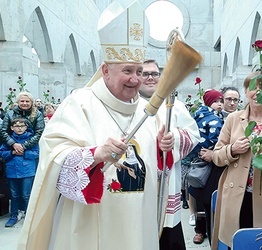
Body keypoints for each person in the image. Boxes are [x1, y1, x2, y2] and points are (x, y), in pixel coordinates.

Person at [18, 1, 175, 249]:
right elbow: (53, 156)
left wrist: (161, 147)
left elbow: (155, 167)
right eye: (127, 70)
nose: (135, 79)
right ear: (105, 70)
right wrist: (94, 155)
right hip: (89, 224)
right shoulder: (79, 103)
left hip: (138, 220)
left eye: (139, 71)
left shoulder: (147, 113)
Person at [211, 71, 262, 250]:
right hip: (237, 197)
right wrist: (232, 149)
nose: (258, 92)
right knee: (239, 243)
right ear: (246, 92)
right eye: (252, 88)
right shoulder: (233, 119)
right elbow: (216, 156)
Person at [139, 59, 200, 250]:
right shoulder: (129, 104)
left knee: (167, 233)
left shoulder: (174, 105)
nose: (150, 78)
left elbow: (193, 134)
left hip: (167, 179)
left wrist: (174, 139)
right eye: (144, 73)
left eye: (155, 74)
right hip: (139, 179)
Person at [185, 89, 224, 245]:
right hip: (205, 163)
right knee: (202, 198)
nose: (220, 105)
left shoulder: (205, 116)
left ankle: (208, 232)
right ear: (208, 103)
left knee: (206, 199)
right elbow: (215, 139)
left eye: (221, 101)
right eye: (216, 101)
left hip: (208, 162)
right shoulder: (213, 119)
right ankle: (201, 231)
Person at [0, 118, 39, 227]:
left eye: (22, 126)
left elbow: (37, 153)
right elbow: (2, 153)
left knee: (27, 195)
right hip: (12, 170)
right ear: (12, 128)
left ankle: (29, 216)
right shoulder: (9, 140)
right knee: (14, 195)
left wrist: (24, 153)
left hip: (27, 171)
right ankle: (14, 215)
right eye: (17, 126)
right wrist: (12, 152)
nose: (20, 128)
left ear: (26, 127)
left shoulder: (31, 139)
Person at [1, 92, 45, 156]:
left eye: (27, 101)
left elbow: (39, 133)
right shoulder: (10, 114)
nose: (24, 103)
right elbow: (3, 131)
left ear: (31, 103)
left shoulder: (37, 114)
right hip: (11, 149)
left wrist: (23, 146)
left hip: (31, 150)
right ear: (18, 102)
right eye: (22, 101)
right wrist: (13, 144)